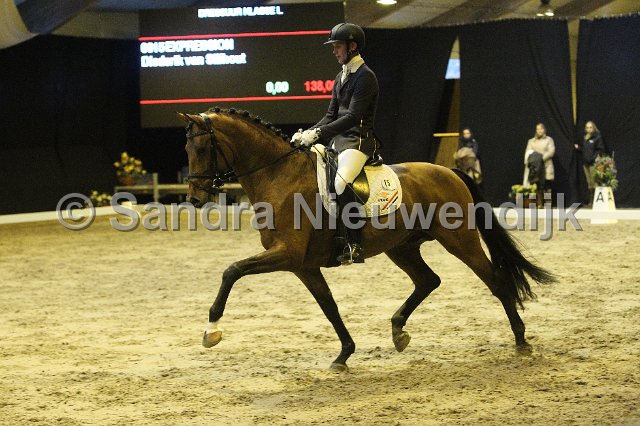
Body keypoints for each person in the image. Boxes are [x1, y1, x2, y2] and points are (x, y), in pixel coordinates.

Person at [291, 23, 379, 265]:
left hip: (358, 141)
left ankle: (355, 244)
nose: (334, 51)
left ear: (352, 46)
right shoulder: (341, 76)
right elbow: (331, 116)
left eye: (338, 46)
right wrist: (308, 133)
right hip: (338, 141)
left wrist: (319, 133)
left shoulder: (365, 77)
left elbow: (352, 116)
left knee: (340, 183)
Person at [523, 123, 555, 202]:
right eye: (538, 129)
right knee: (536, 186)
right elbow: (528, 153)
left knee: (546, 186)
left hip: (546, 165)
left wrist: (540, 159)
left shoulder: (549, 140)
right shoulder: (531, 141)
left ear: (544, 130)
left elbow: (551, 151)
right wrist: (534, 160)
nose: (540, 131)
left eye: (541, 129)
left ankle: (548, 203)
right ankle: (538, 203)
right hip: (535, 167)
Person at [575, 121, 606, 198]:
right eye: (587, 128)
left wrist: (593, 158)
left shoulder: (597, 137)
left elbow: (600, 150)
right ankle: (591, 199)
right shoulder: (585, 137)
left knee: (595, 181)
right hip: (586, 163)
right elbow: (585, 150)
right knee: (589, 182)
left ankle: (597, 199)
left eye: (590, 127)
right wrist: (579, 148)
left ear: (594, 128)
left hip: (593, 163)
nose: (589, 129)